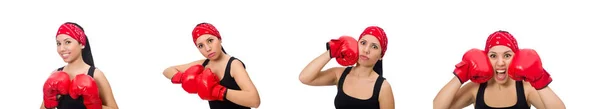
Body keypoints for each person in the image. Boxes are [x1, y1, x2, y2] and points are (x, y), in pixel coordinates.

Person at [433, 30, 566, 109]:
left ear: (516, 58)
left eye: (507, 55)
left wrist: (539, 78)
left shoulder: (526, 88)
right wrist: (461, 74)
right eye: (493, 56)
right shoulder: (476, 88)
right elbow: (438, 107)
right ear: (485, 58)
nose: (500, 62)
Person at [162, 22, 261, 109]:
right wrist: (182, 77)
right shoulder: (204, 64)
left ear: (219, 38)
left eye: (210, 40)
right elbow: (167, 70)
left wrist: (218, 91)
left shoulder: (234, 65)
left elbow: (255, 101)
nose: (208, 48)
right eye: (201, 46)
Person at [299, 26, 395, 109]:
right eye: (363, 43)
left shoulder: (383, 87)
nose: (366, 50)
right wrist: (332, 51)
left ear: (381, 56)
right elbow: (305, 78)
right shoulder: (339, 74)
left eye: (374, 47)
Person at [41, 22, 119, 109]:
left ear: (82, 44)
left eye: (67, 42)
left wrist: (94, 104)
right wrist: (49, 99)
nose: (61, 49)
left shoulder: (95, 74)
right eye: (58, 43)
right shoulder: (56, 73)